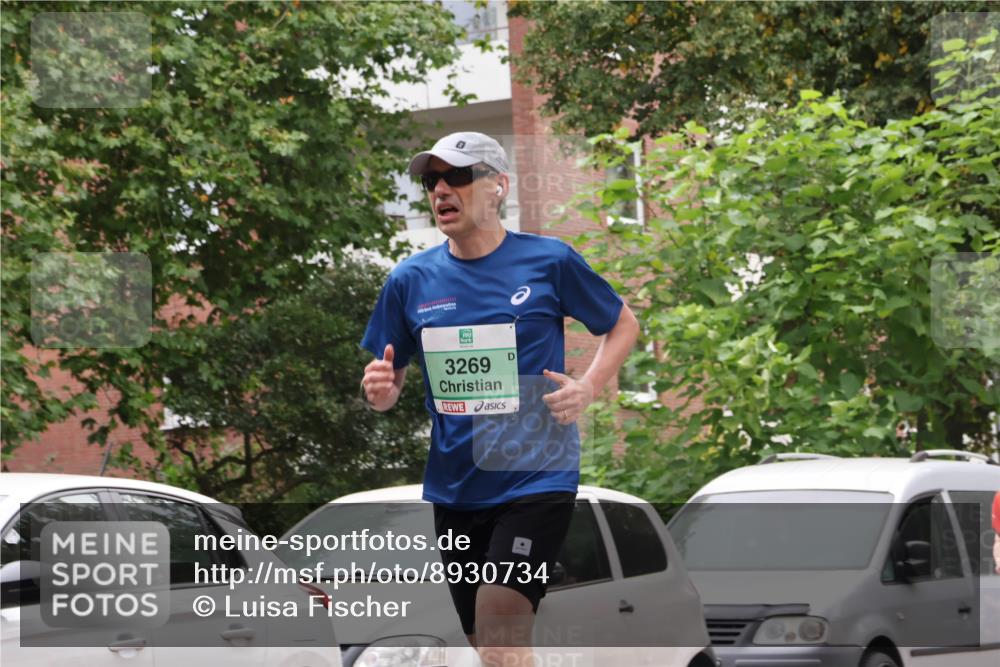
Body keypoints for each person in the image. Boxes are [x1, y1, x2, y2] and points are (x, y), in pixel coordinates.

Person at [359, 131, 640, 666]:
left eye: (457, 176)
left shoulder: (549, 261)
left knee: (499, 630)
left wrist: (588, 387)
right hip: (456, 489)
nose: (440, 189)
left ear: (498, 187)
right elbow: (385, 386)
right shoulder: (409, 280)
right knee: (487, 647)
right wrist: (380, 390)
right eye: (431, 180)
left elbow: (622, 324)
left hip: (537, 479)